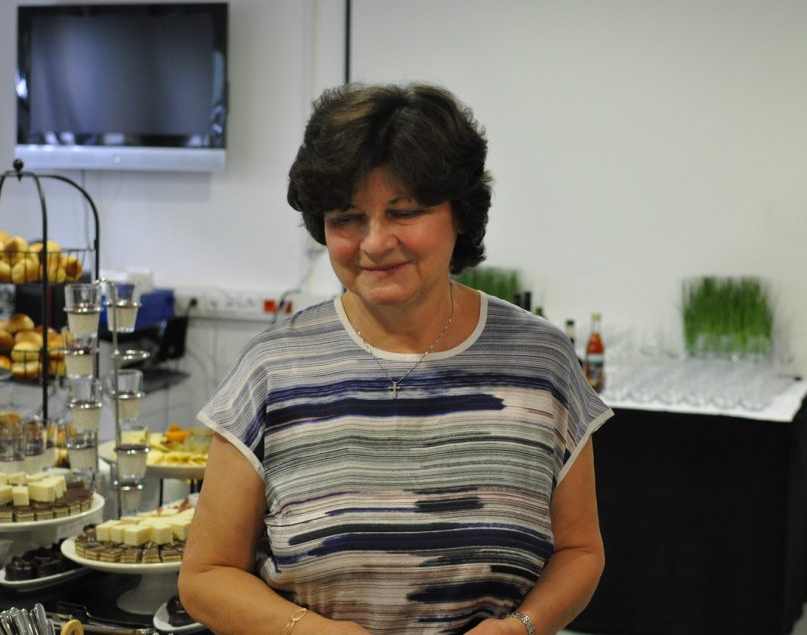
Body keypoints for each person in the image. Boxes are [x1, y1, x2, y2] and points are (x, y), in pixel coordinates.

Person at [179, 82, 612, 635]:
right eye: (347, 217)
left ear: (460, 214)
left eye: (404, 212)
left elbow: (580, 551)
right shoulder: (273, 368)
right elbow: (206, 575)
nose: (375, 242)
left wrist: (520, 627)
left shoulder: (541, 361)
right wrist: (311, 632)